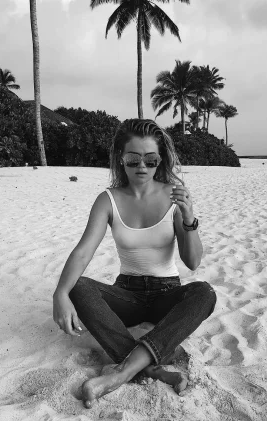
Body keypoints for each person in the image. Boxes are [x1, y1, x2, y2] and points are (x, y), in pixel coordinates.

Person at [53, 119, 217, 408]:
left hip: (166, 293)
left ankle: (124, 372)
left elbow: (192, 262)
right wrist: (60, 294)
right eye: (133, 159)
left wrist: (189, 218)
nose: (142, 166)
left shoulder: (174, 196)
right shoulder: (108, 200)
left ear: (160, 160)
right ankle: (150, 367)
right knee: (77, 287)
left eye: (151, 160)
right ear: (121, 158)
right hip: (127, 294)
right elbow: (84, 251)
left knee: (204, 293)